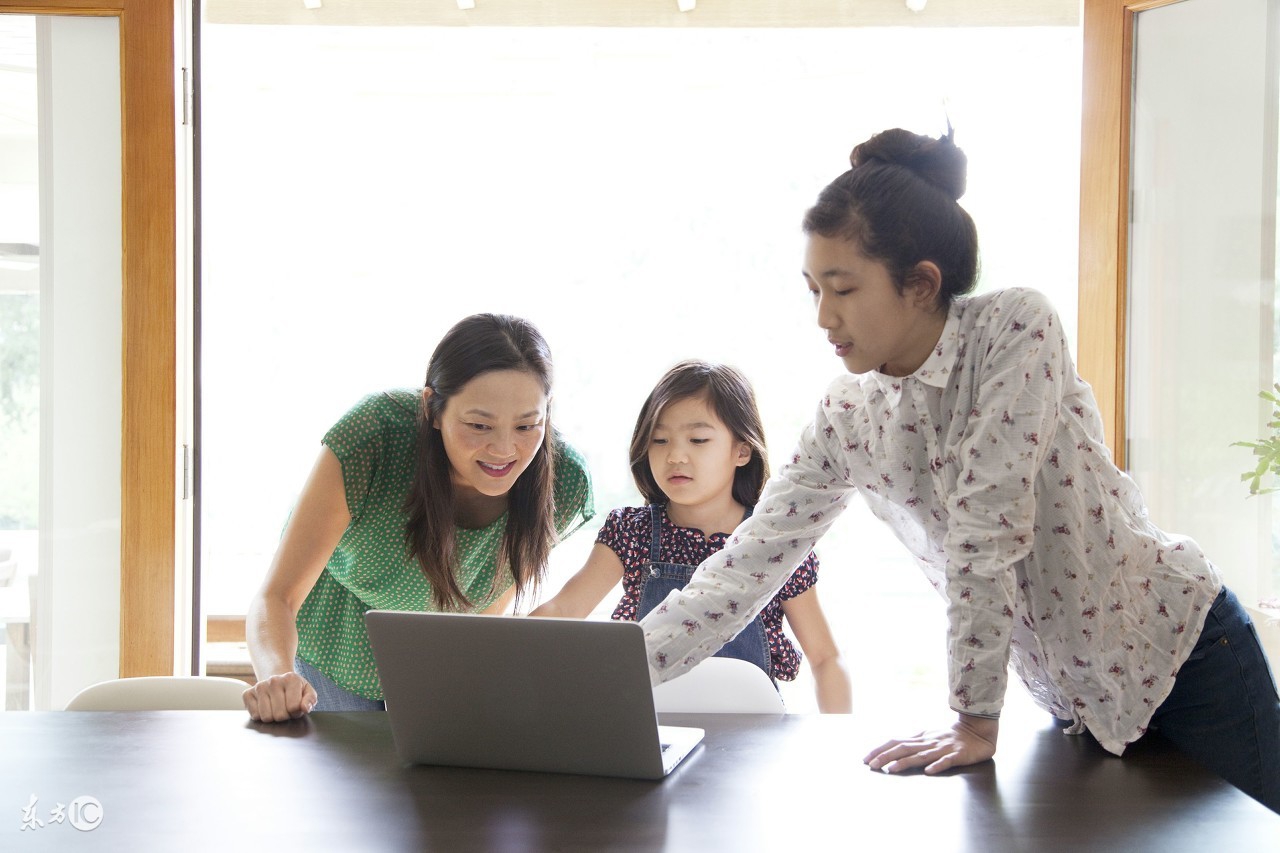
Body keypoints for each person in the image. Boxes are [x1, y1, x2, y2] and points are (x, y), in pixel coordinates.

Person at [638, 127, 1280, 812]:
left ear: (921, 284)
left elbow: (988, 525)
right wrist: (605, 682)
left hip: (1188, 656)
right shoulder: (848, 414)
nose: (824, 315)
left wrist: (974, 717)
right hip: (1080, 702)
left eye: (844, 288)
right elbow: (745, 567)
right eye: (813, 290)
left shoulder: (1015, 329)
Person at [243, 313, 595, 722]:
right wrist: (278, 677)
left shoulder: (563, 481)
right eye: (479, 425)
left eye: (527, 425)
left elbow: (491, 602)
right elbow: (276, 597)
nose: (504, 449)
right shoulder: (374, 437)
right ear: (432, 408)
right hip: (334, 640)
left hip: (444, 660)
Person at [531, 359, 851, 713]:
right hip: (648, 726)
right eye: (660, 440)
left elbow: (825, 659)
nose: (675, 456)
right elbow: (565, 608)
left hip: (752, 735)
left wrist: (836, 743)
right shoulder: (632, 531)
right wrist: (505, 656)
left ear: (742, 450)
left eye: (698, 440)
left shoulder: (775, 541)